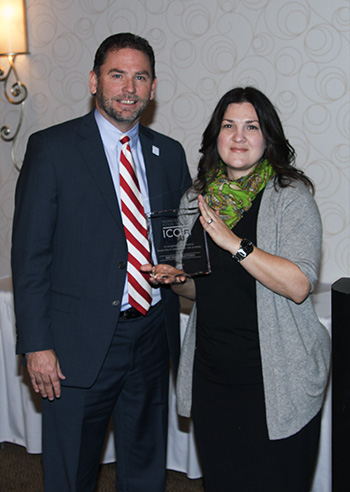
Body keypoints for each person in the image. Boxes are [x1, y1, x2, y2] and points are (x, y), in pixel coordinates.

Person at [11, 32, 191, 492]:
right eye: (117, 75)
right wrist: (36, 345)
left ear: (152, 87)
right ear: (94, 81)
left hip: (152, 334)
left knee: (145, 466)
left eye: (140, 77)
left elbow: (180, 243)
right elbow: (30, 257)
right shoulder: (52, 149)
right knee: (71, 470)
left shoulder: (169, 153)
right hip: (75, 344)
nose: (129, 88)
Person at [142, 87, 331, 492]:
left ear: (268, 138)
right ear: (216, 136)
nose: (239, 136)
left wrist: (235, 243)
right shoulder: (195, 200)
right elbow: (199, 290)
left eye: (251, 126)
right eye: (229, 126)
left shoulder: (290, 197)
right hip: (213, 376)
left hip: (275, 380)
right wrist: (178, 280)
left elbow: (299, 285)